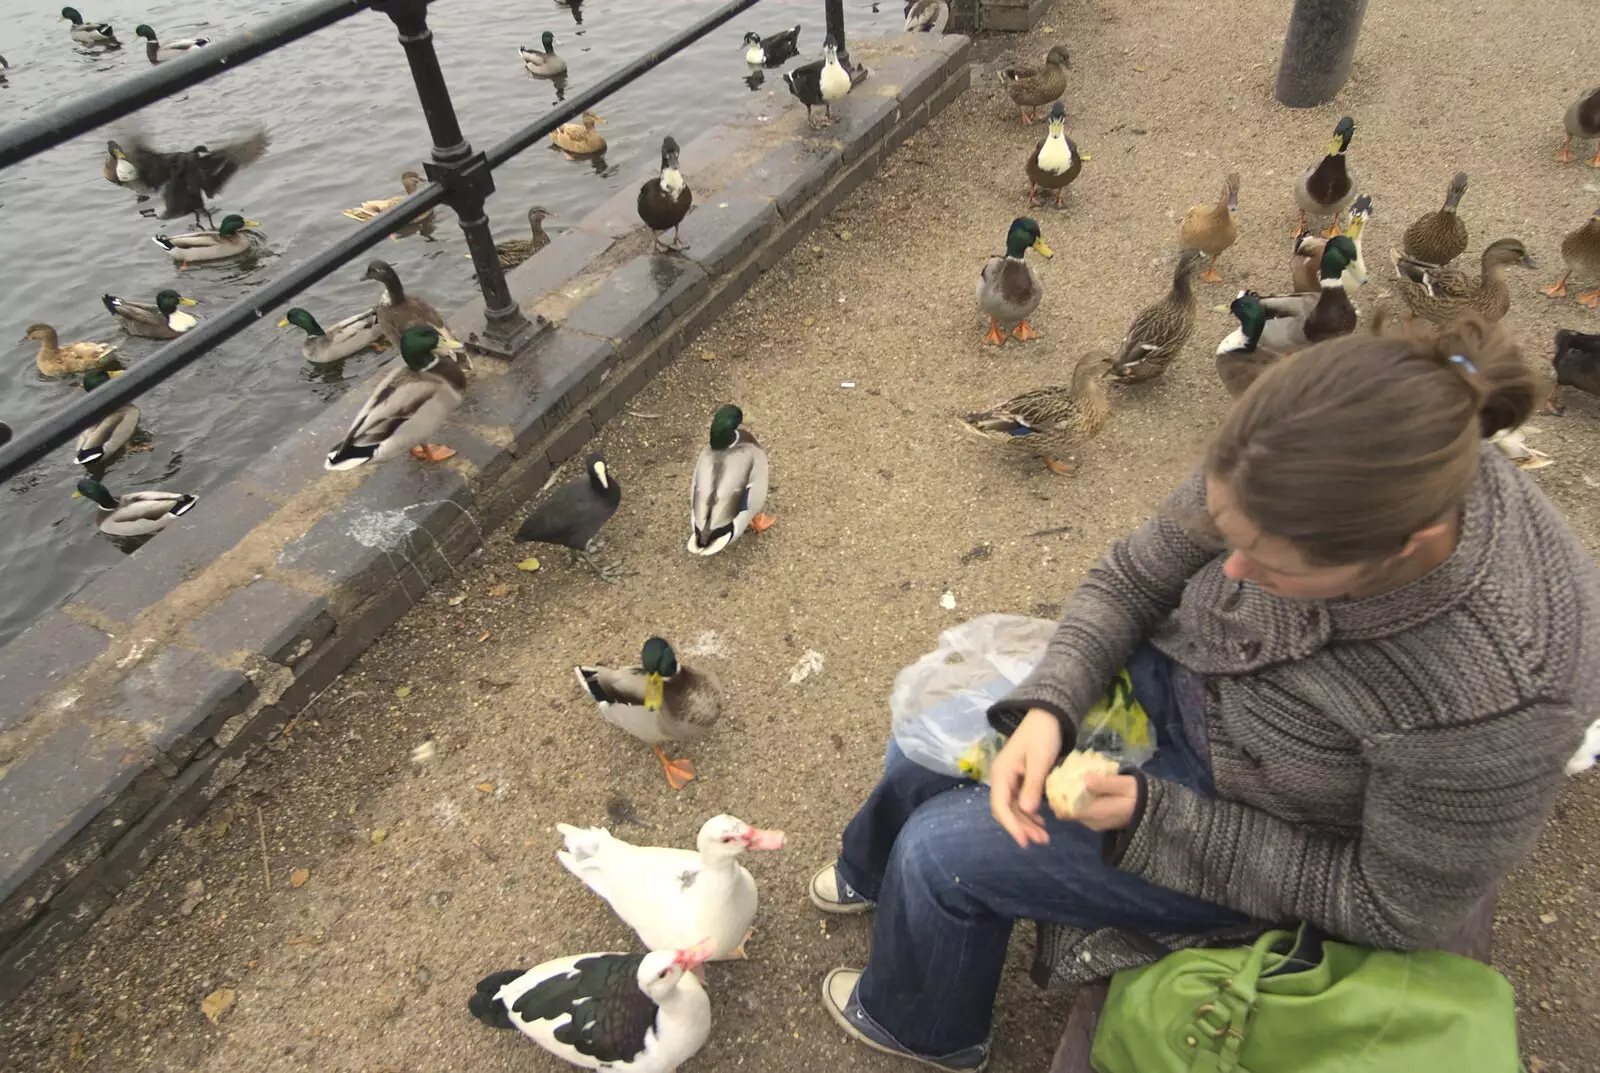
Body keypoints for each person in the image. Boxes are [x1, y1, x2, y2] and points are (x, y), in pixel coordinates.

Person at [810, 315, 1600, 1071]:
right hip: (1183, 693)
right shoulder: (1298, 436)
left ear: (1407, 550)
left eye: (1274, 567)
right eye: (1230, 537)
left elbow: (1393, 907)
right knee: (937, 735)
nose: (1227, 580)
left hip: (1259, 822)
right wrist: (1051, 704)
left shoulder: (1506, 691)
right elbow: (1137, 573)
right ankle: (870, 874)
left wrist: (1160, 820)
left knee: (944, 855)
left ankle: (923, 1023)